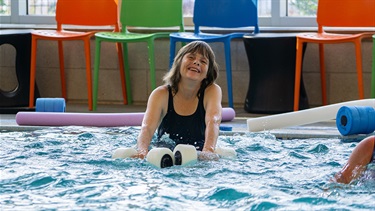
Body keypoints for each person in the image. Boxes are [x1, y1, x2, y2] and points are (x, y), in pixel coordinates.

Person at [134, 41, 222, 160]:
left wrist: (208, 150)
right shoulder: (161, 94)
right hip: (165, 154)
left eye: (203, 61)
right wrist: (142, 151)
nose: (196, 62)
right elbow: (147, 127)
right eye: (191, 57)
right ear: (179, 62)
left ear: (207, 73)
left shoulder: (212, 91)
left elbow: (214, 120)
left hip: (197, 155)